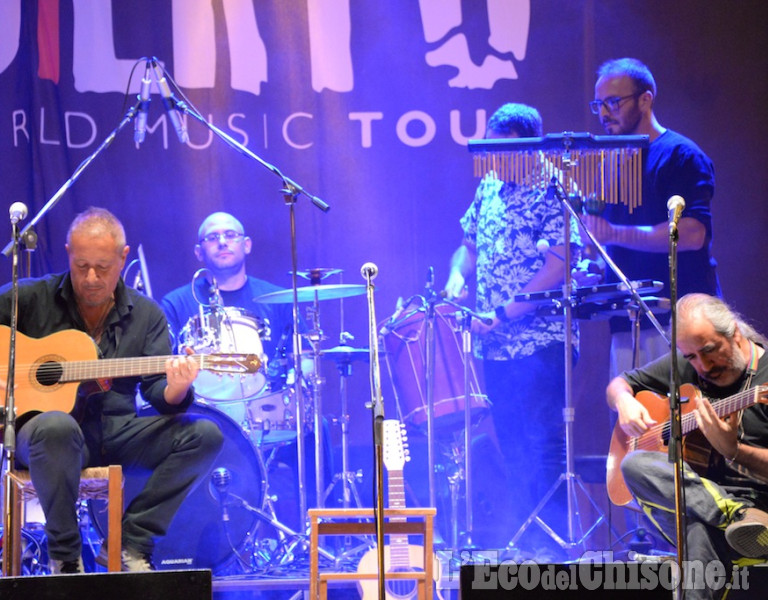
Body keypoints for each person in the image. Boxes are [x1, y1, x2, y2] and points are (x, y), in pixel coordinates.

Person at [0, 207, 224, 574]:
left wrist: (178, 385)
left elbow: (158, 395)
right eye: (81, 265)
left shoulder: (147, 315)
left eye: (102, 268)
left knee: (205, 435)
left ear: (123, 258)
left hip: (118, 434)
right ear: (69, 252)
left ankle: (130, 543)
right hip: (44, 437)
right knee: (56, 426)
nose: (90, 278)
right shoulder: (29, 299)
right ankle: (67, 558)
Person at [444, 102, 583, 551]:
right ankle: (527, 540)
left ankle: (555, 544)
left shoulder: (556, 187)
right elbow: (467, 246)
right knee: (511, 443)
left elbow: (558, 265)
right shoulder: (489, 185)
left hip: (542, 340)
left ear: (528, 148)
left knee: (544, 445)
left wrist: (502, 313)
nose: (494, 162)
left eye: (502, 153)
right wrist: (456, 277)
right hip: (496, 344)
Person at [608, 293, 768, 599]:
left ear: (734, 332)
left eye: (709, 351)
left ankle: (737, 517)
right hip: (705, 502)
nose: (703, 365)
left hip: (761, 508)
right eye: (691, 357)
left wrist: (735, 451)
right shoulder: (691, 362)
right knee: (633, 463)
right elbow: (619, 384)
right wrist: (624, 401)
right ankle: (732, 513)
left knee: (698, 528)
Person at [583, 58, 721, 376]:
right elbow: (606, 241)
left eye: (613, 102)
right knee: (633, 423)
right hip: (626, 320)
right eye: (598, 104)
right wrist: (591, 266)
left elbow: (692, 233)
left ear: (646, 99)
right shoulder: (611, 162)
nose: (604, 113)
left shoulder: (681, 155)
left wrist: (614, 233)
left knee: (684, 418)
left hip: (680, 320)